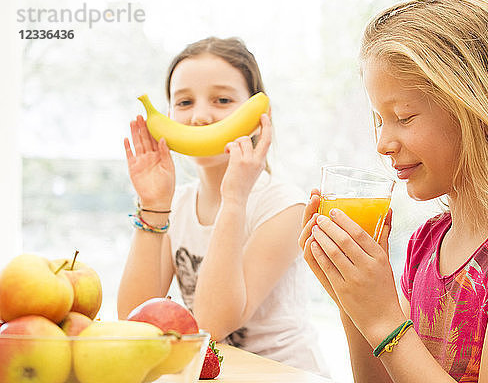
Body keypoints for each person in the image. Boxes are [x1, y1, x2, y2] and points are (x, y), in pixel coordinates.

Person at [299, 0, 488, 382]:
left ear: (476, 109)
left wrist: (383, 319)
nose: (382, 143)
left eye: (403, 117)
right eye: (379, 120)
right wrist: (352, 302)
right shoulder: (428, 243)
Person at [118, 36, 329, 377]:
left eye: (222, 99)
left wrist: (234, 199)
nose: (200, 117)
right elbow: (133, 321)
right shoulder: (180, 204)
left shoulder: (285, 206)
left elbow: (211, 324)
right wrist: (154, 205)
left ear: (259, 114)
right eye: (184, 102)